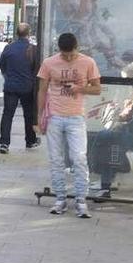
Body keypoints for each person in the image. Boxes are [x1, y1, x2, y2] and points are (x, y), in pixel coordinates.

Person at [36, 32, 102, 218]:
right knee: (56, 159)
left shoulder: (88, 62)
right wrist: (39, 118)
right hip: (54, 117)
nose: (68, 58)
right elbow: (41, 91)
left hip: (76, 117)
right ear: (59, 50)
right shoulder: (49, 63)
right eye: (64, 55)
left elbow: (97, 88)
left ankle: (81, 200)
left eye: (71, 55)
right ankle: (60, 198)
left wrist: (79, 88)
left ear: (77, 48)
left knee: (79, 158)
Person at [92, 65, 133, 197]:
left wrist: (120, 125)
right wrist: (124, 116)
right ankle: (107, 178)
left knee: (106, 138)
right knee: (106, 138)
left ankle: (105, 179)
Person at [0, 23, 40, 154]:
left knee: (7, 115)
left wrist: (8, 77)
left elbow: (2, 65)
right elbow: (37, 68)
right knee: (28, 115)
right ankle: (30, 140)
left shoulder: (8, 48)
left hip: (10, 86)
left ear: (16, 33)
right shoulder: (33, 49)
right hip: (27, 87)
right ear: (29, 33)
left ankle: (4, 143)